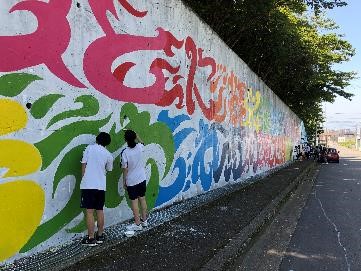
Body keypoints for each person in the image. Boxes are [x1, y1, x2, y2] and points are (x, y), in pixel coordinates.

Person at [80, 132, 113, 246]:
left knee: (89, 212)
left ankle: (90, 238)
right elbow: (109, 169)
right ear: (107, 143)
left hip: (88, 185)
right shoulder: (108, 154)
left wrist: (84, 178)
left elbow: (83, 165)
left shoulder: (89, 148)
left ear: (97, 139)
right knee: (99, 210)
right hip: (101, 186)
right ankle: (100, 235)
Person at [121, 129, 148, 231]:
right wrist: (137, 135)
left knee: (134, 202)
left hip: (132, 181)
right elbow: (142, 143)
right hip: (142, 178)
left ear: (125, 140)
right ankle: (144, 220)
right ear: (134, 138)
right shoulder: (140, 147)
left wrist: (124, 181)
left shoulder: (125, 152)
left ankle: (137, 224)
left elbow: (125, 169)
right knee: (142, 199)